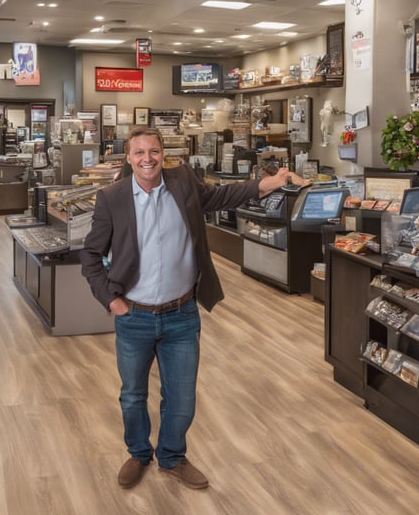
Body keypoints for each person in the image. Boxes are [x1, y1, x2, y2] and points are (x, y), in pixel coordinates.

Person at [80, 126, 303, 491]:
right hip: (133, 315)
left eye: (153, 151)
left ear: (163, 153)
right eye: (139, 153)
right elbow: (90, 255)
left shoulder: (182, 181)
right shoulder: (113, 197)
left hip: (182, 314)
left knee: (181, 397)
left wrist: (270, 184)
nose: (147, 159)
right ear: (128, 158)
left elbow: (223, 196)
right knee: (133, 394)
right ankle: (138, 453)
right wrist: (110, 299)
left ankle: (171, 456)